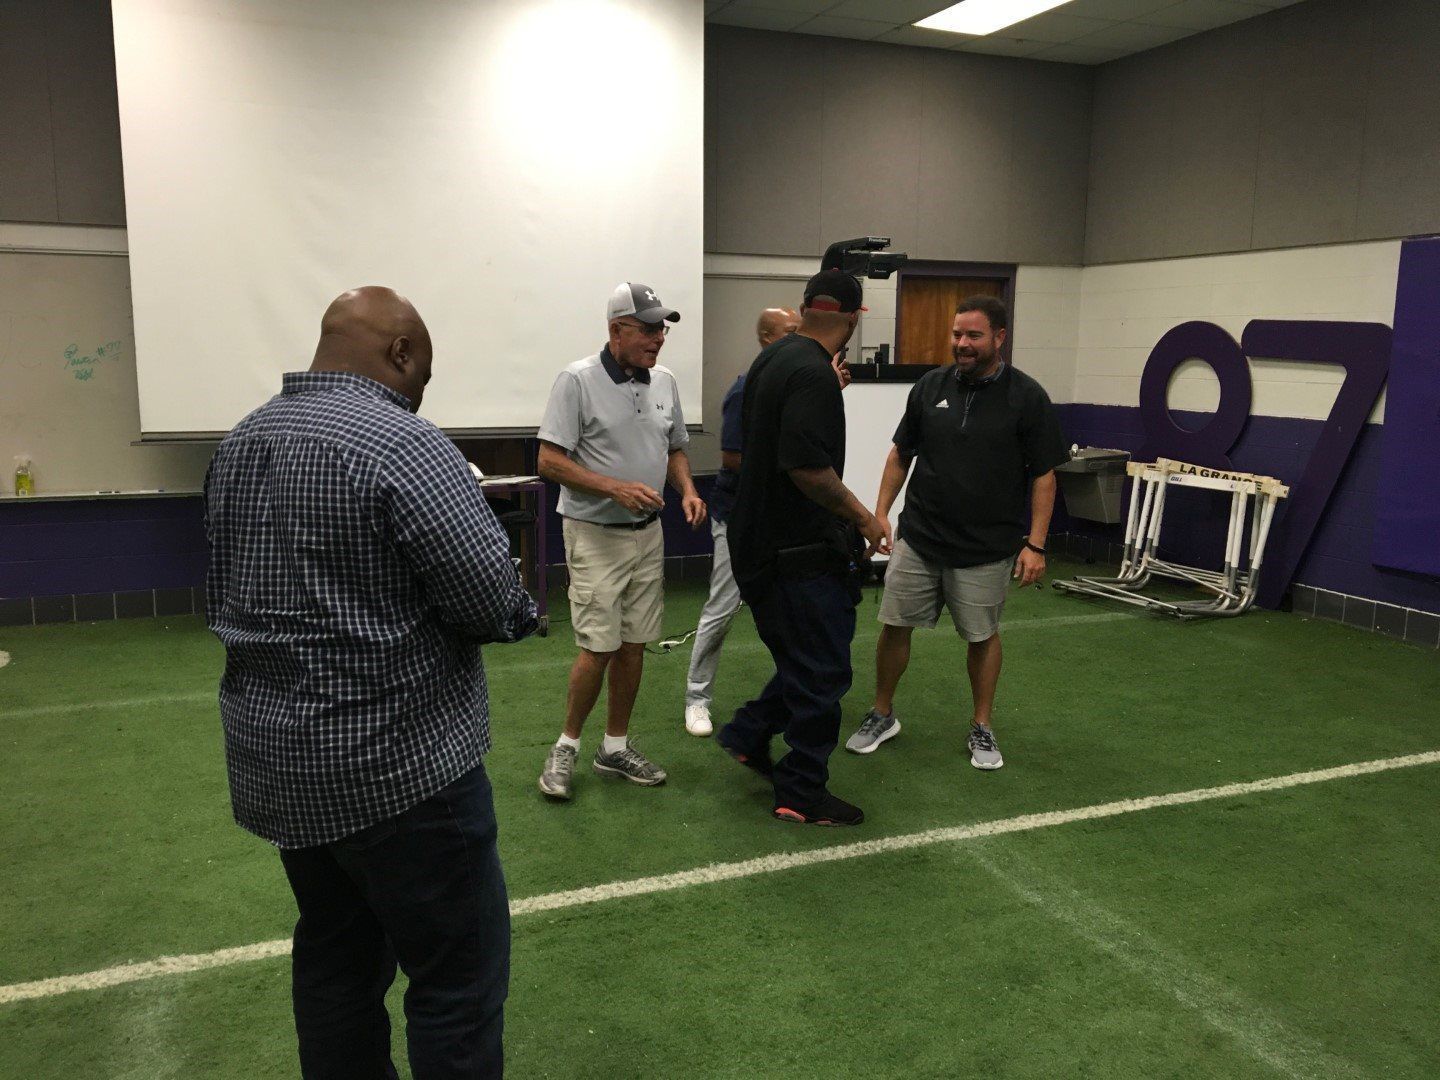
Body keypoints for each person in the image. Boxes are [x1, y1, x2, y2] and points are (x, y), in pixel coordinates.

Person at [204, 286, 538, 1079]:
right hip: (403, 773)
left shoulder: (240, 443)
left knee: (335, 959)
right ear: (399, 354)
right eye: (424, 370)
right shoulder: (402, 444)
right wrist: (518, 608)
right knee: (456, 980)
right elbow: (490, 601)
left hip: (283, 768)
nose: (424, 390)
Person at [843, 295, 1068, 770]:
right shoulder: (930, 386)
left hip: (986, 549)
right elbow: (900, 454)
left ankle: (982, 726)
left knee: (982, 636)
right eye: (957, 335)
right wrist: (881, 514)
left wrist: (1036, 543)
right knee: (894, 627)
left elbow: (1044, 475)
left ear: (1000, 337)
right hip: (920, 538)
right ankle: (882, 713)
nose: (961, 344)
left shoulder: (1027, 397)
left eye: (973, 336)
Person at [718, 270, 884, 826]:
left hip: (757, 543)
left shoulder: (774, 360)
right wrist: (865, 518)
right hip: (797, 552)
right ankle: (801, 790)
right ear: (856, 319)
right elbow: (808, 469)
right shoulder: (812, 372)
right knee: (823, 671)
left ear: (804, 307)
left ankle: (747, 733)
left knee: (799, 658)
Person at [536, 282, 706, 800]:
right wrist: (614, 487)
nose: (659, 337)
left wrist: (689, 490)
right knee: (598, 647)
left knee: (634, 644)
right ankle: (565, 747)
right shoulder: (577, 380)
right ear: (616, 331)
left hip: (647, 535)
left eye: (662, 328)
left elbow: (674, 448)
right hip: (594, 535)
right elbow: (547, 461)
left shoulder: (665, 382)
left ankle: (614, 747)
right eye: (649, 327)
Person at [682, 306, 799, 737]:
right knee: (723, 606)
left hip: (780, 520)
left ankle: (791, 693)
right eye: (790, 332)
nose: (798, 339)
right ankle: (697, 698)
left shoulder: (794, 385)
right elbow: (732, 456)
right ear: (767, 338)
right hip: (738, 519)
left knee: (787, 608)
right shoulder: (744, 390)